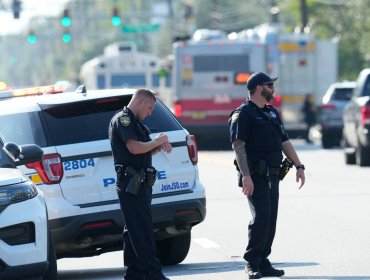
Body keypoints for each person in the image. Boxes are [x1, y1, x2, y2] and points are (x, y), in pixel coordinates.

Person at [228, 72, 306, 279]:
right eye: (270, 85)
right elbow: (238, 146)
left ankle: (263, 260)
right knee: (261, 217)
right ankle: (252, 262)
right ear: (260, 88)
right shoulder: (243, 113)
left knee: (270, 218)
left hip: (273, 175)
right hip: (254, 175)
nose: (274, 89)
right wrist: (246, 176)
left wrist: (299, 166)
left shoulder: (271, 113)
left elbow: (285, 141)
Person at [109, 88, 172, 280]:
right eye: (150, 107)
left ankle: (134, 274)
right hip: (131, 183)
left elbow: (143, 150)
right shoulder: (124, 119)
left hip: (140, 183)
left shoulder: (136, 122)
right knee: (142, 230)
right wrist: (156, 141)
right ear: (140, 102)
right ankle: (153, 274)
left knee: (133, 230)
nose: (150, 112)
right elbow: (134, 148)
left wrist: (157, 145)